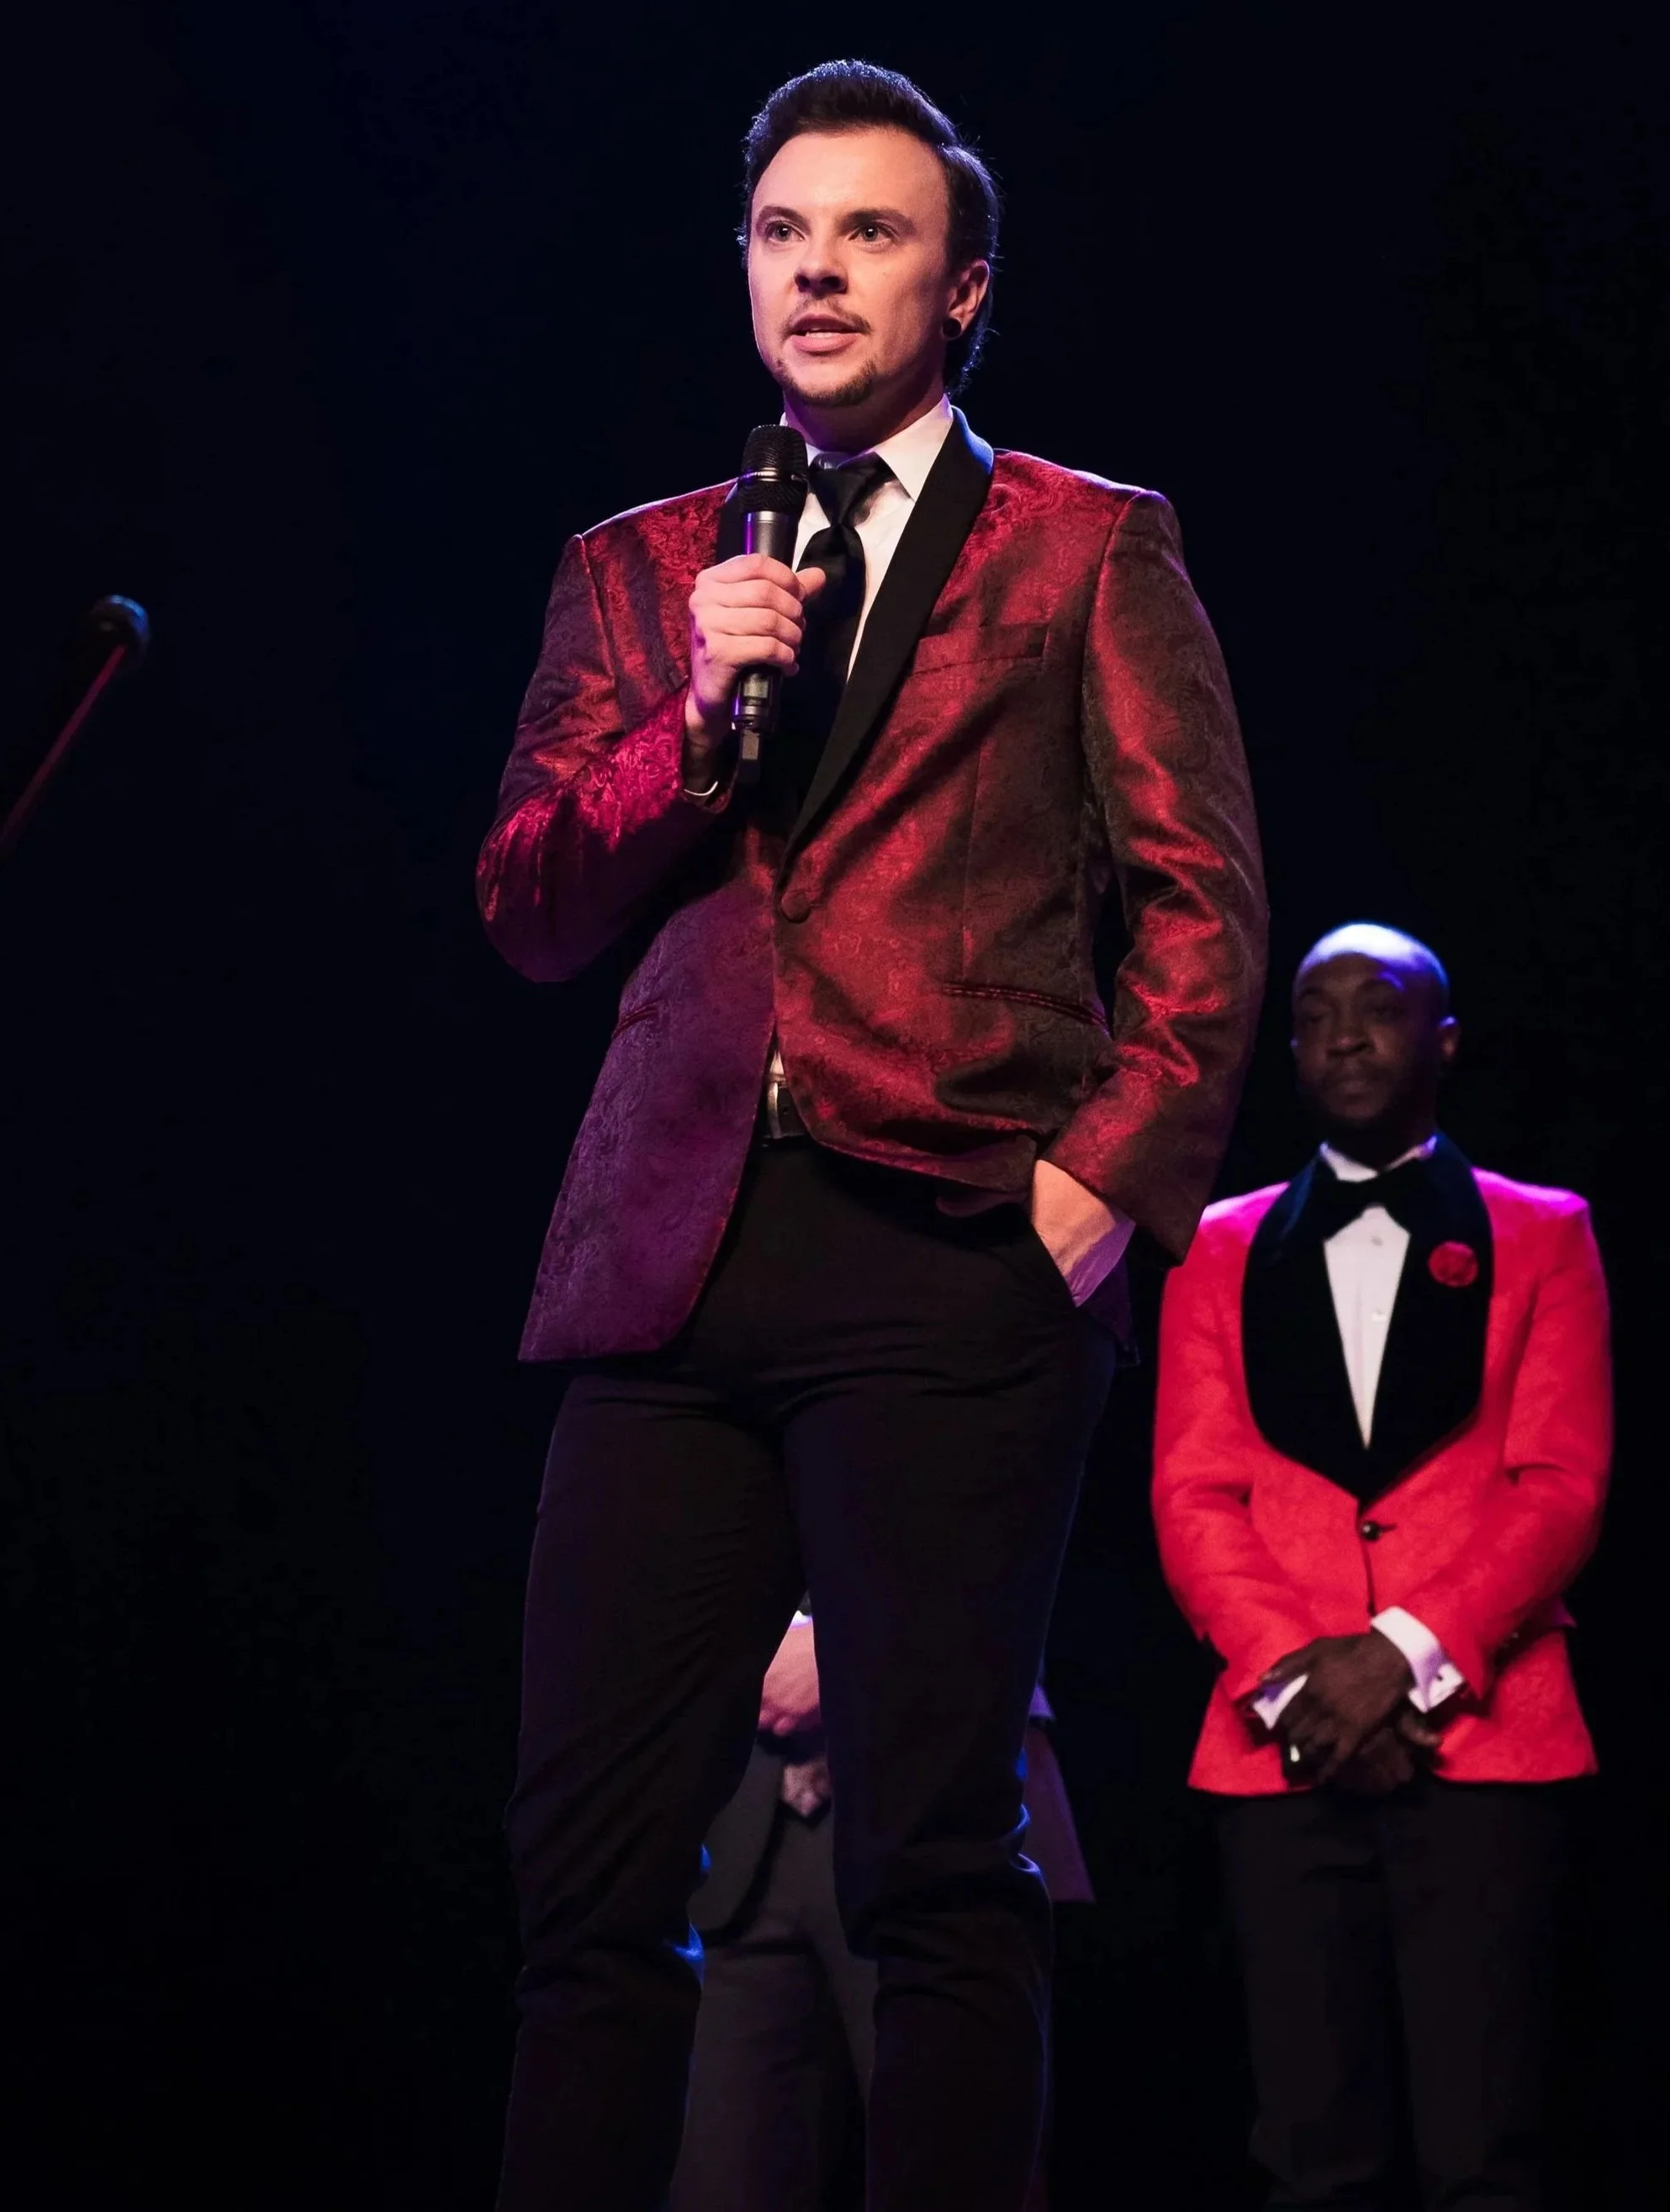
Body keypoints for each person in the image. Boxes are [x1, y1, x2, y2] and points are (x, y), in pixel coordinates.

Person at [478, 58, 1265, 2212]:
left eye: (873, 233)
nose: (818, 272)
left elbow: (1201, 901)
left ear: (966, 284)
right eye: (781, 233)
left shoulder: (1088, 542)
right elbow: (531, 901)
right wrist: (675, 730)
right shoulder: (639, 566)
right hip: (666, 1255)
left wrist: (1097, 1192)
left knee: (931, 1856)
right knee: (589, 1870)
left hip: (950, 1242)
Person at [1152, 923, 1610, 2210]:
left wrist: (1401, 1660)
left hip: (1484, 1736)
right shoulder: (1220, 1244)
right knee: (1309, 2154)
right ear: (1290, 1046)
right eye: (1315, 1011)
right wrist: (1306, 1684)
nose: (1346, 1031)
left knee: (1486, 2154)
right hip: (1278, 1736)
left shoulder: (1546, 1230)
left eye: (1381, 1005)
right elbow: (1195, 1491)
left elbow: (1560, 1487)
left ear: (1445, 1041)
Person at [669, 1611, 1090, 2212]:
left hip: (939, 1815)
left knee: (963, 2172)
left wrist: (847, 1641)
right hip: (731, 1831)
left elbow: (1003, 1541)